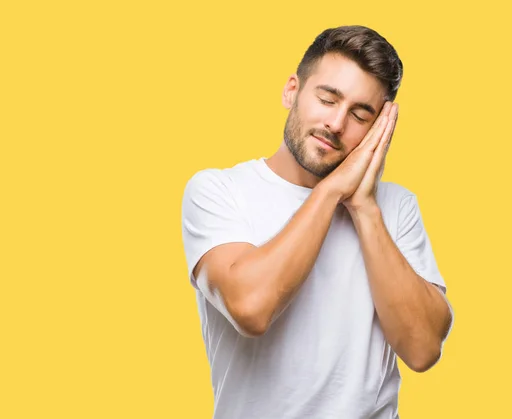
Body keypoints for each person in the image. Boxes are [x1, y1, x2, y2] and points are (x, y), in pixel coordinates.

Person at [180, 25, 453, 419]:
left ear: (379, 128)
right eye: (327, 99)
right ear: (292, 90)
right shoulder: (218, 190)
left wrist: (363, 208)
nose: (337, 124)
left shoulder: (395, 207)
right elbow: (251, 308)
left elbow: (424, 348)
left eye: (361, 115)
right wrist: (329, 192)